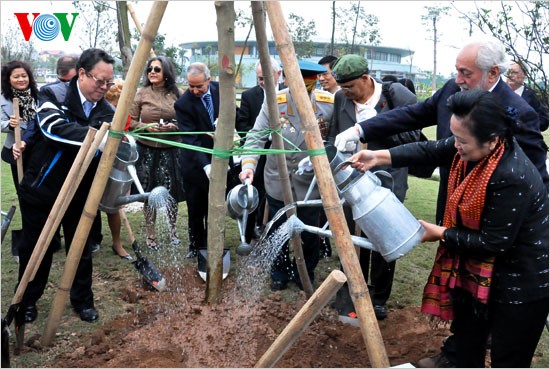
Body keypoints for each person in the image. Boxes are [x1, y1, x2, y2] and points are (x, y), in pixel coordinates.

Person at [334, 35, 549, 367]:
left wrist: (441, 233)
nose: (458, 80)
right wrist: (376, 154)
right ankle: (459, 356)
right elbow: (433, 147)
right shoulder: (467, 119)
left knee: (506, 338)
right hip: (468, 223)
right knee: (469, 308)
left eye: (466, 73)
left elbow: (499, 236)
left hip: (513, 253)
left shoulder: (513, 170)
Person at [16, 48, 116, 323]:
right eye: (100, 81)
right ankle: (26, 300)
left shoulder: (107, 110)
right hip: (42, 187)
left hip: (80, 193)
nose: (105, 88)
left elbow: (108, 149)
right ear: (82, 73)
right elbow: (52, 128)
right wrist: (101, 138)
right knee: (37, 248)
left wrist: (112, 140)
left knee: (80, 250)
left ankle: (82, 300)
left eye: (110, 82)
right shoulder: (53, 95)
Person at [327, 54, 418, 322]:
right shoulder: (342, 98)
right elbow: (334, 134)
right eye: (342, 88)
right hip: (351, 182)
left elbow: (412, 140)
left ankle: (378, 297)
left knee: (381, 239)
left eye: (351, 87)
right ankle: (351, 290)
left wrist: (374, 124)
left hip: (386, 181)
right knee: (350, 237)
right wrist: (329, 156)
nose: (346, 93)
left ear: (366, 79)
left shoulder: (398, 96)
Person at [239, 60, 334, 291]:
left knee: (310, 230)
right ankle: (279, 271)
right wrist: (249, 164)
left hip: (311, 183)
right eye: (297, 80)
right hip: (278, 178)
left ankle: (305, 271)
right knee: (278, 227)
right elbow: (256, 135)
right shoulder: (274, 101)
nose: (304, 85)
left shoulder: (328, 104)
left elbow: (334, 141)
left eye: (310, 81)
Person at [129, 56, 185, 251]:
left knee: (172, 194)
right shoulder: (141, 93)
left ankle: (172, 230)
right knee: (149, 195)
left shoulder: (178, 93)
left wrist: (174, 126)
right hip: (147, 151)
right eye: (150, 69)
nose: (152, 72)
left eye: (157, 69)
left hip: (171, 151)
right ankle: (151, 233)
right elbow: (130, 121)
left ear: (166, 73)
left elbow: (186, 121)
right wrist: (146, 127)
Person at [175, 62, 225, 258]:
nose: (195, 90)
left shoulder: (222, 91)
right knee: (196, 207)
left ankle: (215, 243)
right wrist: (206, 165)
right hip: (195, 164)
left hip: (220, 160)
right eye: (191, 86)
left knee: (216, 206)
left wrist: (226, 121)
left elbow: (233, 114)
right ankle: (196, 247)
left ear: (209, 80)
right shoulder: (183, 104)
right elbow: (190, 138)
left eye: (199, 86)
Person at [236, 57, 282, 244]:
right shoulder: (249, 96)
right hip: (257, 154)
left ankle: (270, 230)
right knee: (254, 192)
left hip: (282, 154)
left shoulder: (288, 95)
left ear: (278, 74)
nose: (262, 82)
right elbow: (242, 125)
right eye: (259, 79)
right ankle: (248, 234)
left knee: (275, 196)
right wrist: (261, 136)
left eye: (266, 78)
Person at [103, 81, 132, 260]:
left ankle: (117, 242)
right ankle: (89, 240)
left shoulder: (125, 113)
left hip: (117, 159)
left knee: (113, 204)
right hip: (97, 155)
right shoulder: (103, 109)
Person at [1, 60, 38, 191]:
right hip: (17, 151)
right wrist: (10, 124)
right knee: (22, 189)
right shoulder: (2, 99)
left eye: (24, 75)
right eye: (16, 77)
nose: (21, 79)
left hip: (39, 150)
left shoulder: (39, 96)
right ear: (8, 79)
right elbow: (1, 123)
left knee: (40, 189)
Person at [506, 60, 548, 132]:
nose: (510, 75)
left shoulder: (534, 96)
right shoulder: (498, 93)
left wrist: (524, 126)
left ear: (525, 75)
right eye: (509, 72)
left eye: (515, 72)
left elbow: (544, 121)